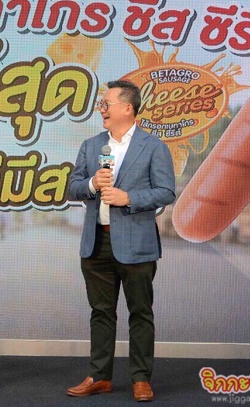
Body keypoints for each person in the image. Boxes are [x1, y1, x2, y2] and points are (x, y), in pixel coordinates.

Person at [67, 80, 175, 402]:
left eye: (106, 104)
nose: (101, 109)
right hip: (96, 243)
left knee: (140, 312)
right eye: (101, 105)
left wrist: (129, 198)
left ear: (127, 108)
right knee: (101, 312)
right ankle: (100, 376)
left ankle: (141, 379)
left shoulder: (153, 147)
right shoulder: (91, 146)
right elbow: (72, 187)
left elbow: (166, 191)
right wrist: (91, 183)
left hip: (137, 244)